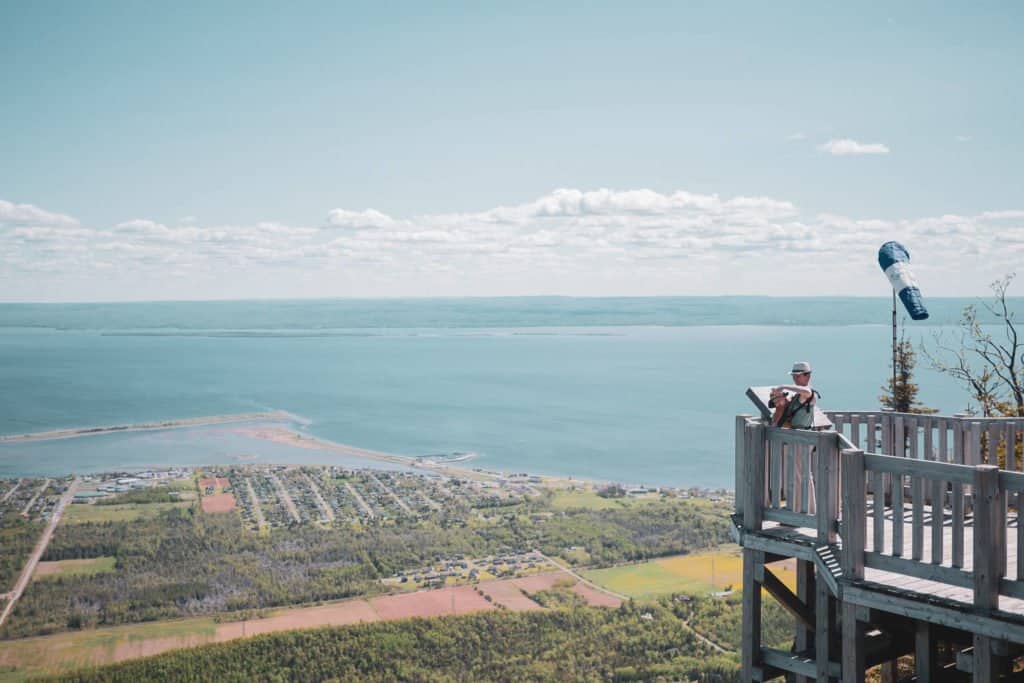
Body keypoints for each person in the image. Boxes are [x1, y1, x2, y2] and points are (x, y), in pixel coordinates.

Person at [769, 361, 820, 429]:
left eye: (798, 376)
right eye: (793, 376)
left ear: (808, 376)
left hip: (801, 434)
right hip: (793, 432)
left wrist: (783, 386)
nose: (795, 379)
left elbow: (807, 391)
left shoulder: (810, 393)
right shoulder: (797, 393)